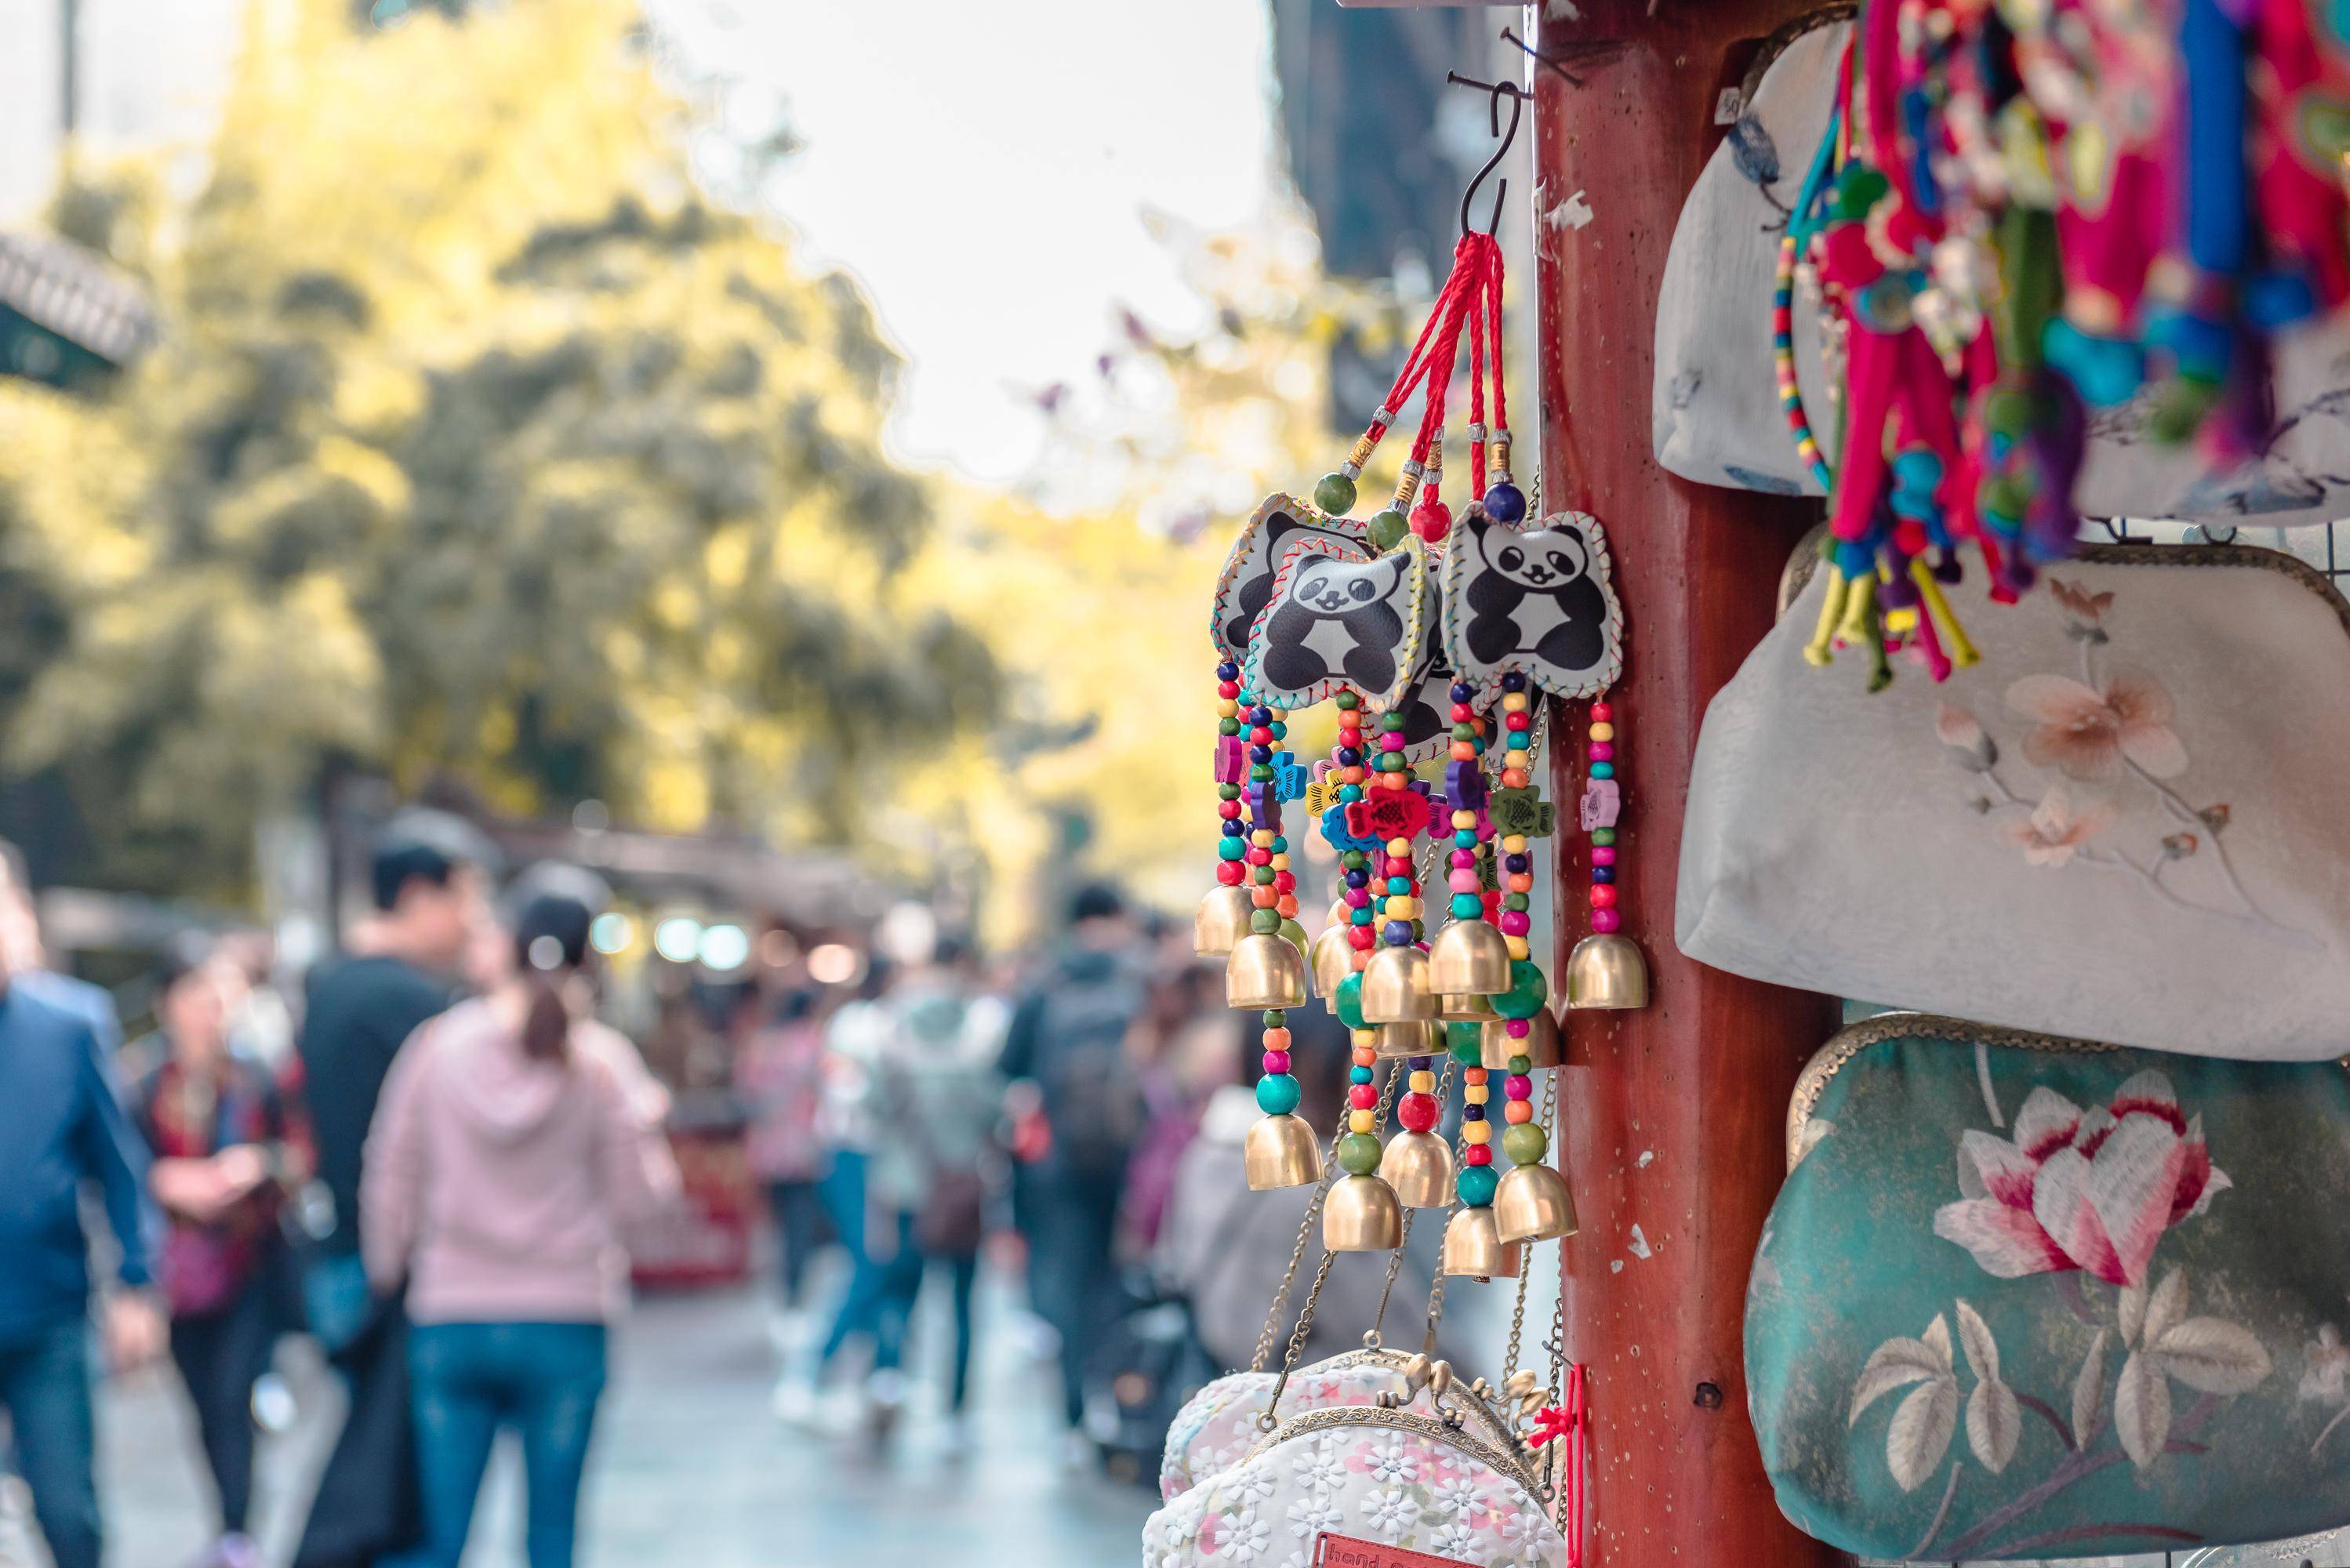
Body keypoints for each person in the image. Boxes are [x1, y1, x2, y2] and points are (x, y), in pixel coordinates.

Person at [361, 873, 678, 1568]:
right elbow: (645, 1203)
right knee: (552, 1541)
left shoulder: (436, 1048)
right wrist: (647, 1120)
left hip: (450, 1315)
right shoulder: (601, 1062)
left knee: (441, 1540)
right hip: (567, 1317)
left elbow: (391, 1174)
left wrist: (389, 1272)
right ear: (589, 961)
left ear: (505, 943)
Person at [295, 808, 494, 1568]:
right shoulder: (411, 1004)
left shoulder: (330, 982)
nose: (474, 919)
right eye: (465, 897)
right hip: (388, 1266)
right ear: (419, 892)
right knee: (399, 1486)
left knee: (379, 1462)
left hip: (339, 1257)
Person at [0, 837, 165, 1568]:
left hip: (50, 1317)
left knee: (70, 1514)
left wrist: (137, 1281)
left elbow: (120, 1167)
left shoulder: (71, 1024)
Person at [131, 938, 309, 1568]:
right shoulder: (146, 1081)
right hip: (179, 1275)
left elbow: (298, 1155)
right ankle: (228, 1526)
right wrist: (167, 1182)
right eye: (198, 997)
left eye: (220, 997)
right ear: (169, 1004)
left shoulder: (259, 1077)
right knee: (205, 1403)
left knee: (232, 1394)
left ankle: (238, 1534)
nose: (212, 1010)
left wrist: (253, 1164)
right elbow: (122, 1168)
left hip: (246, 1266)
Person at [998, 884, 1146, 1450]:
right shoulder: (1137, 981)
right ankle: (1121, 1395)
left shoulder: (1043, 985)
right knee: (1119, 1279)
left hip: (1057, 1163)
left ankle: (1072, 1411)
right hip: (1126, 1157)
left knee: (1066, 1279)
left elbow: (1008, 1069)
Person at [885, 940, 1004, 1446]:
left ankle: (892, 1379)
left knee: (900, 1293)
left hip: (904, 1190)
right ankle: (956, 1405)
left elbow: (871, 1113)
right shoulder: (975, 1059)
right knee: (961, 1303)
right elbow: (995, 1116)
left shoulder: (893, 1055)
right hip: (961, 1192)